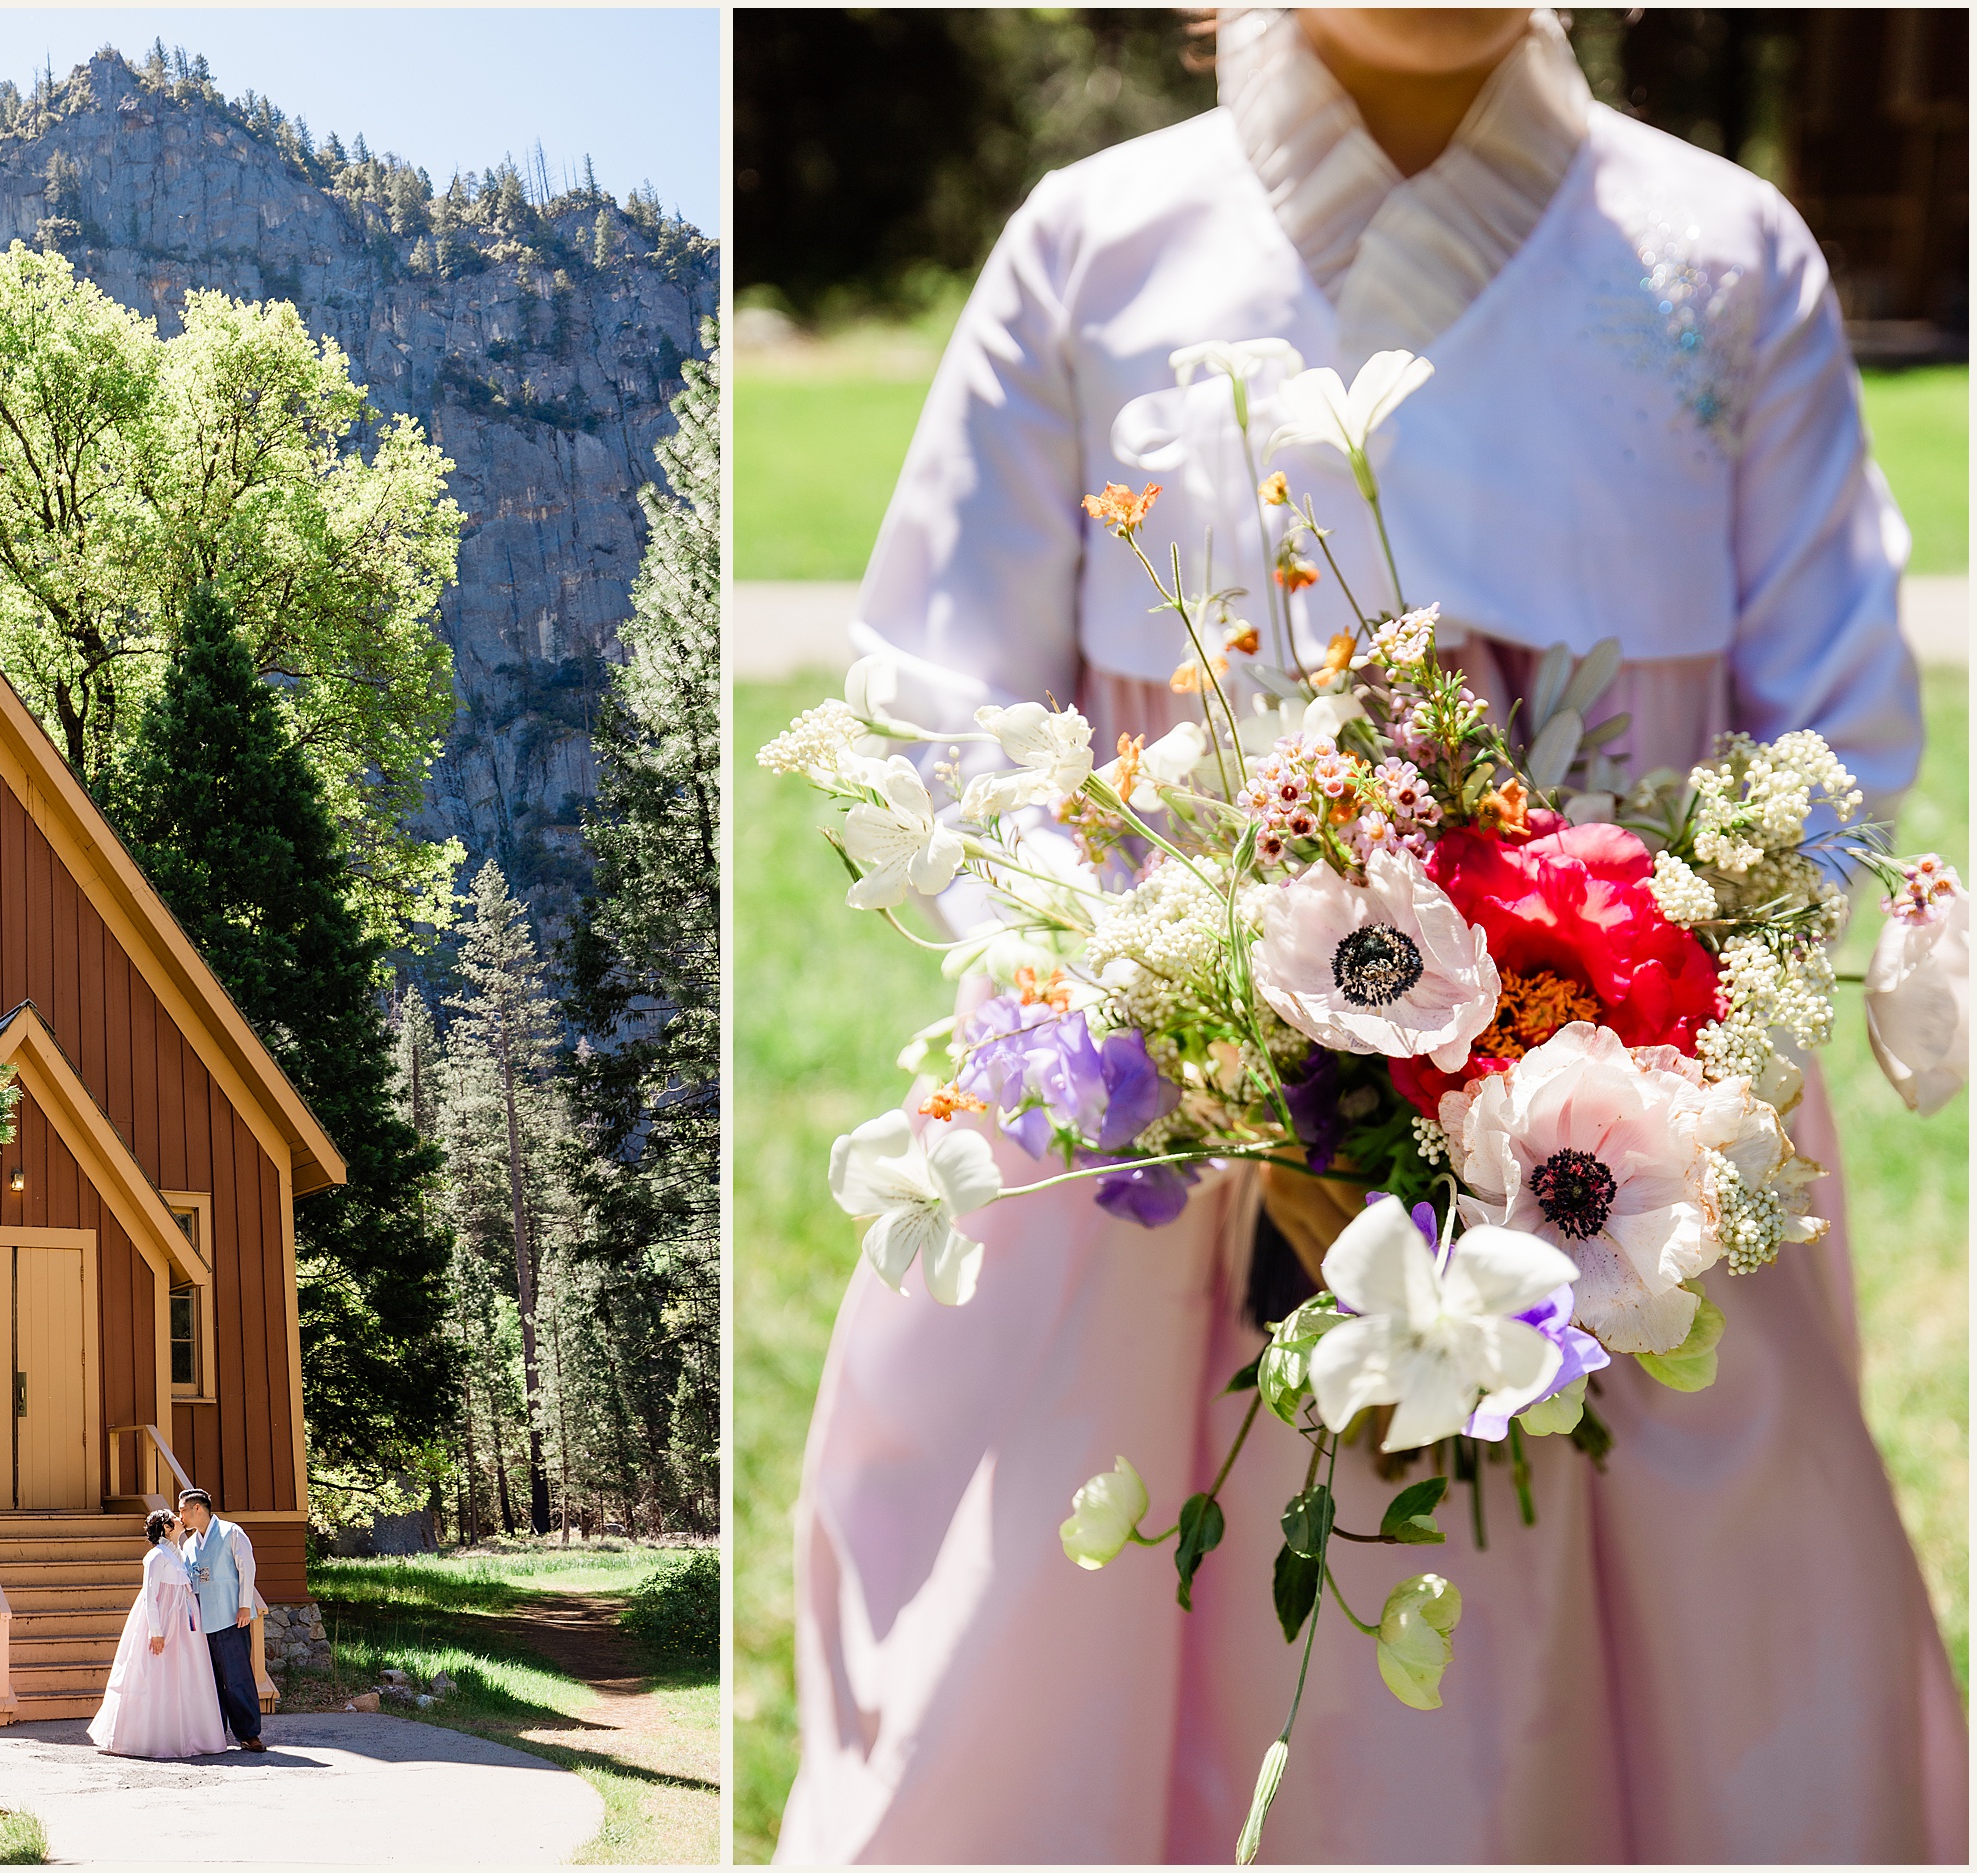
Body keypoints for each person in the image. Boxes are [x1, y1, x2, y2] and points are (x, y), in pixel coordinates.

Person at [777, 8, 1967, 1863]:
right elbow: (942, 719)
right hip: (1162, 1152)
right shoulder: (1098, 244)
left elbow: (1840, 751)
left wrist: (1586, 1062)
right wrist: (1197, 1017)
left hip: (1620, 1159)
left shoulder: (1722, 255)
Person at [85, 1509, 229, 1759]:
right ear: (165, 1528)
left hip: (184, 1623)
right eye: (174, 1517)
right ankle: (151, 1736)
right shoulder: (156, 1556)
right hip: (165, 1621)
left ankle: (191, 1735)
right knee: (157, 1674)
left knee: (186, 1672)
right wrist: (156, 1631)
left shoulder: (179, 1554)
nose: (179, 1518)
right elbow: (150, 1595)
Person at [179, 1486, 267, 1752]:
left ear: (198, 1509)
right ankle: (216, 1733)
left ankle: (248, 1734)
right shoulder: (190, 1544)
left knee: (237, 1675)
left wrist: (243, 1606)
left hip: (231, 1617)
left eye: (183, 1510)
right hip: (204, 1622)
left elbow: (246, 1569)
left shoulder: (232, 1532)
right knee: (212, 1680)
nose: (180, 1515)